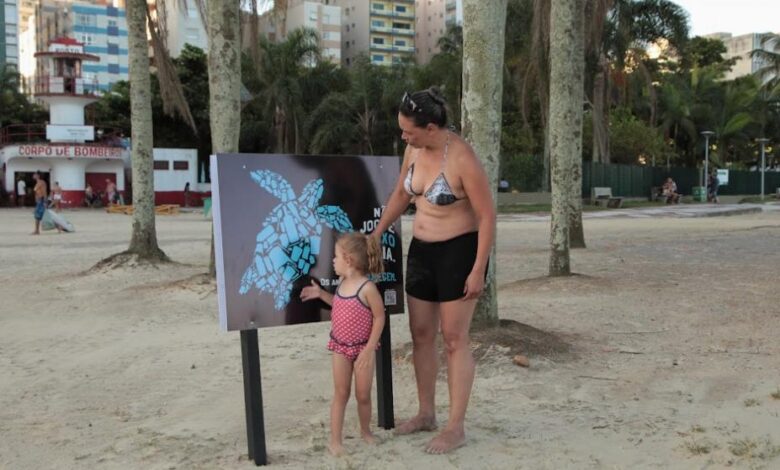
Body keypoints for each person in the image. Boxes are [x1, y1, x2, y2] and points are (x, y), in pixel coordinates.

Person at [371, 88, 496, 454]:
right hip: (421, 251)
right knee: (421, 333)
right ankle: (427, 413)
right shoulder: (414, 149)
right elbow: (400, 195)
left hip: (459, 252)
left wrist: (478, 270)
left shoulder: (461, 158)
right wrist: (378, 233)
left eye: (408, 131)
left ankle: (456, 427)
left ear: (430, 127)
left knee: (454, 339)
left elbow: (487, 215)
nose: (402, 137)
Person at [299, 233, 386, 457]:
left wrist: (369, 349)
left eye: (336, 257)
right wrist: (320, 293)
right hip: (340, 348)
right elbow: (337, 304)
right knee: (341, 393)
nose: (332, 261)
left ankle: (365, 431)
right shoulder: (342, 283)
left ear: (348, 260)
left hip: (362, 349)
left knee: (363, 395)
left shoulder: (367, 288)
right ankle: (335, 441)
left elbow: (379, 317)